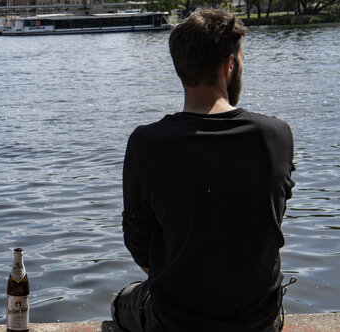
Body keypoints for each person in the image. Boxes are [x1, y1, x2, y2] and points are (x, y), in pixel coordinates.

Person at [111, 9, 295, 332]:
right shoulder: (276, 135)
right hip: (260, 321)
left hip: (175, 322)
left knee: (121, 301)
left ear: (181, 68)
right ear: (229, 65)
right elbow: (268, 222)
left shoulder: (145, 143)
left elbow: (138, 242)